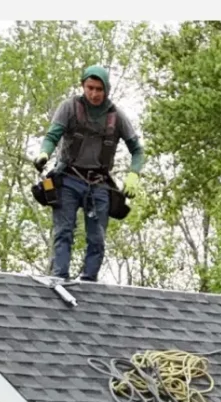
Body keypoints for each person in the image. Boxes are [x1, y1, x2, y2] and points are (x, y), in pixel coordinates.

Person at [41, 65, 146, 283]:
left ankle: (89, 282)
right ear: (83, 86)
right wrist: (44, 153)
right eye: (90, 88)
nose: (94, 93)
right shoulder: (69, 108)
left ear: (106, 89)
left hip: (99, 183)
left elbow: (137, 150)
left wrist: (133, 174)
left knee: (97, 238)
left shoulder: (116, 117)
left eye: (99, 89)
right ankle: (59, 278)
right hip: (68, 178)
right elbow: (52, 136)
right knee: (64, 231)